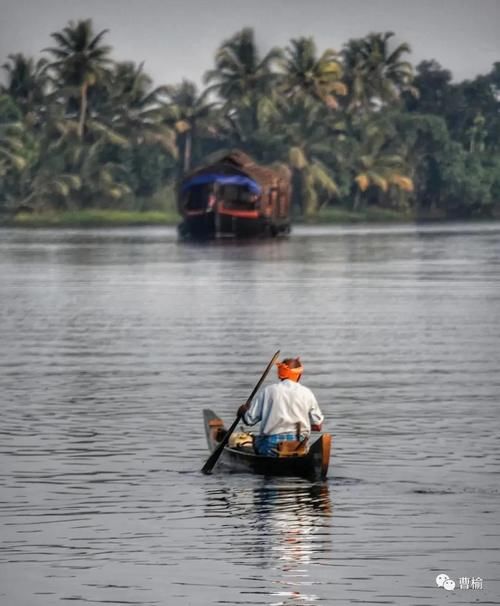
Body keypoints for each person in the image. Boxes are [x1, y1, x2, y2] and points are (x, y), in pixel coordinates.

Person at [237, 357, 324, 456]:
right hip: (298, 445)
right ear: (299, 375)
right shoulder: (307, 393)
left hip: (271, 445)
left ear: (280, 375)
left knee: (254, 441)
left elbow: (249, 420)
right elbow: (318, 426)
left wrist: (243, 411)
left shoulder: (268, 391)